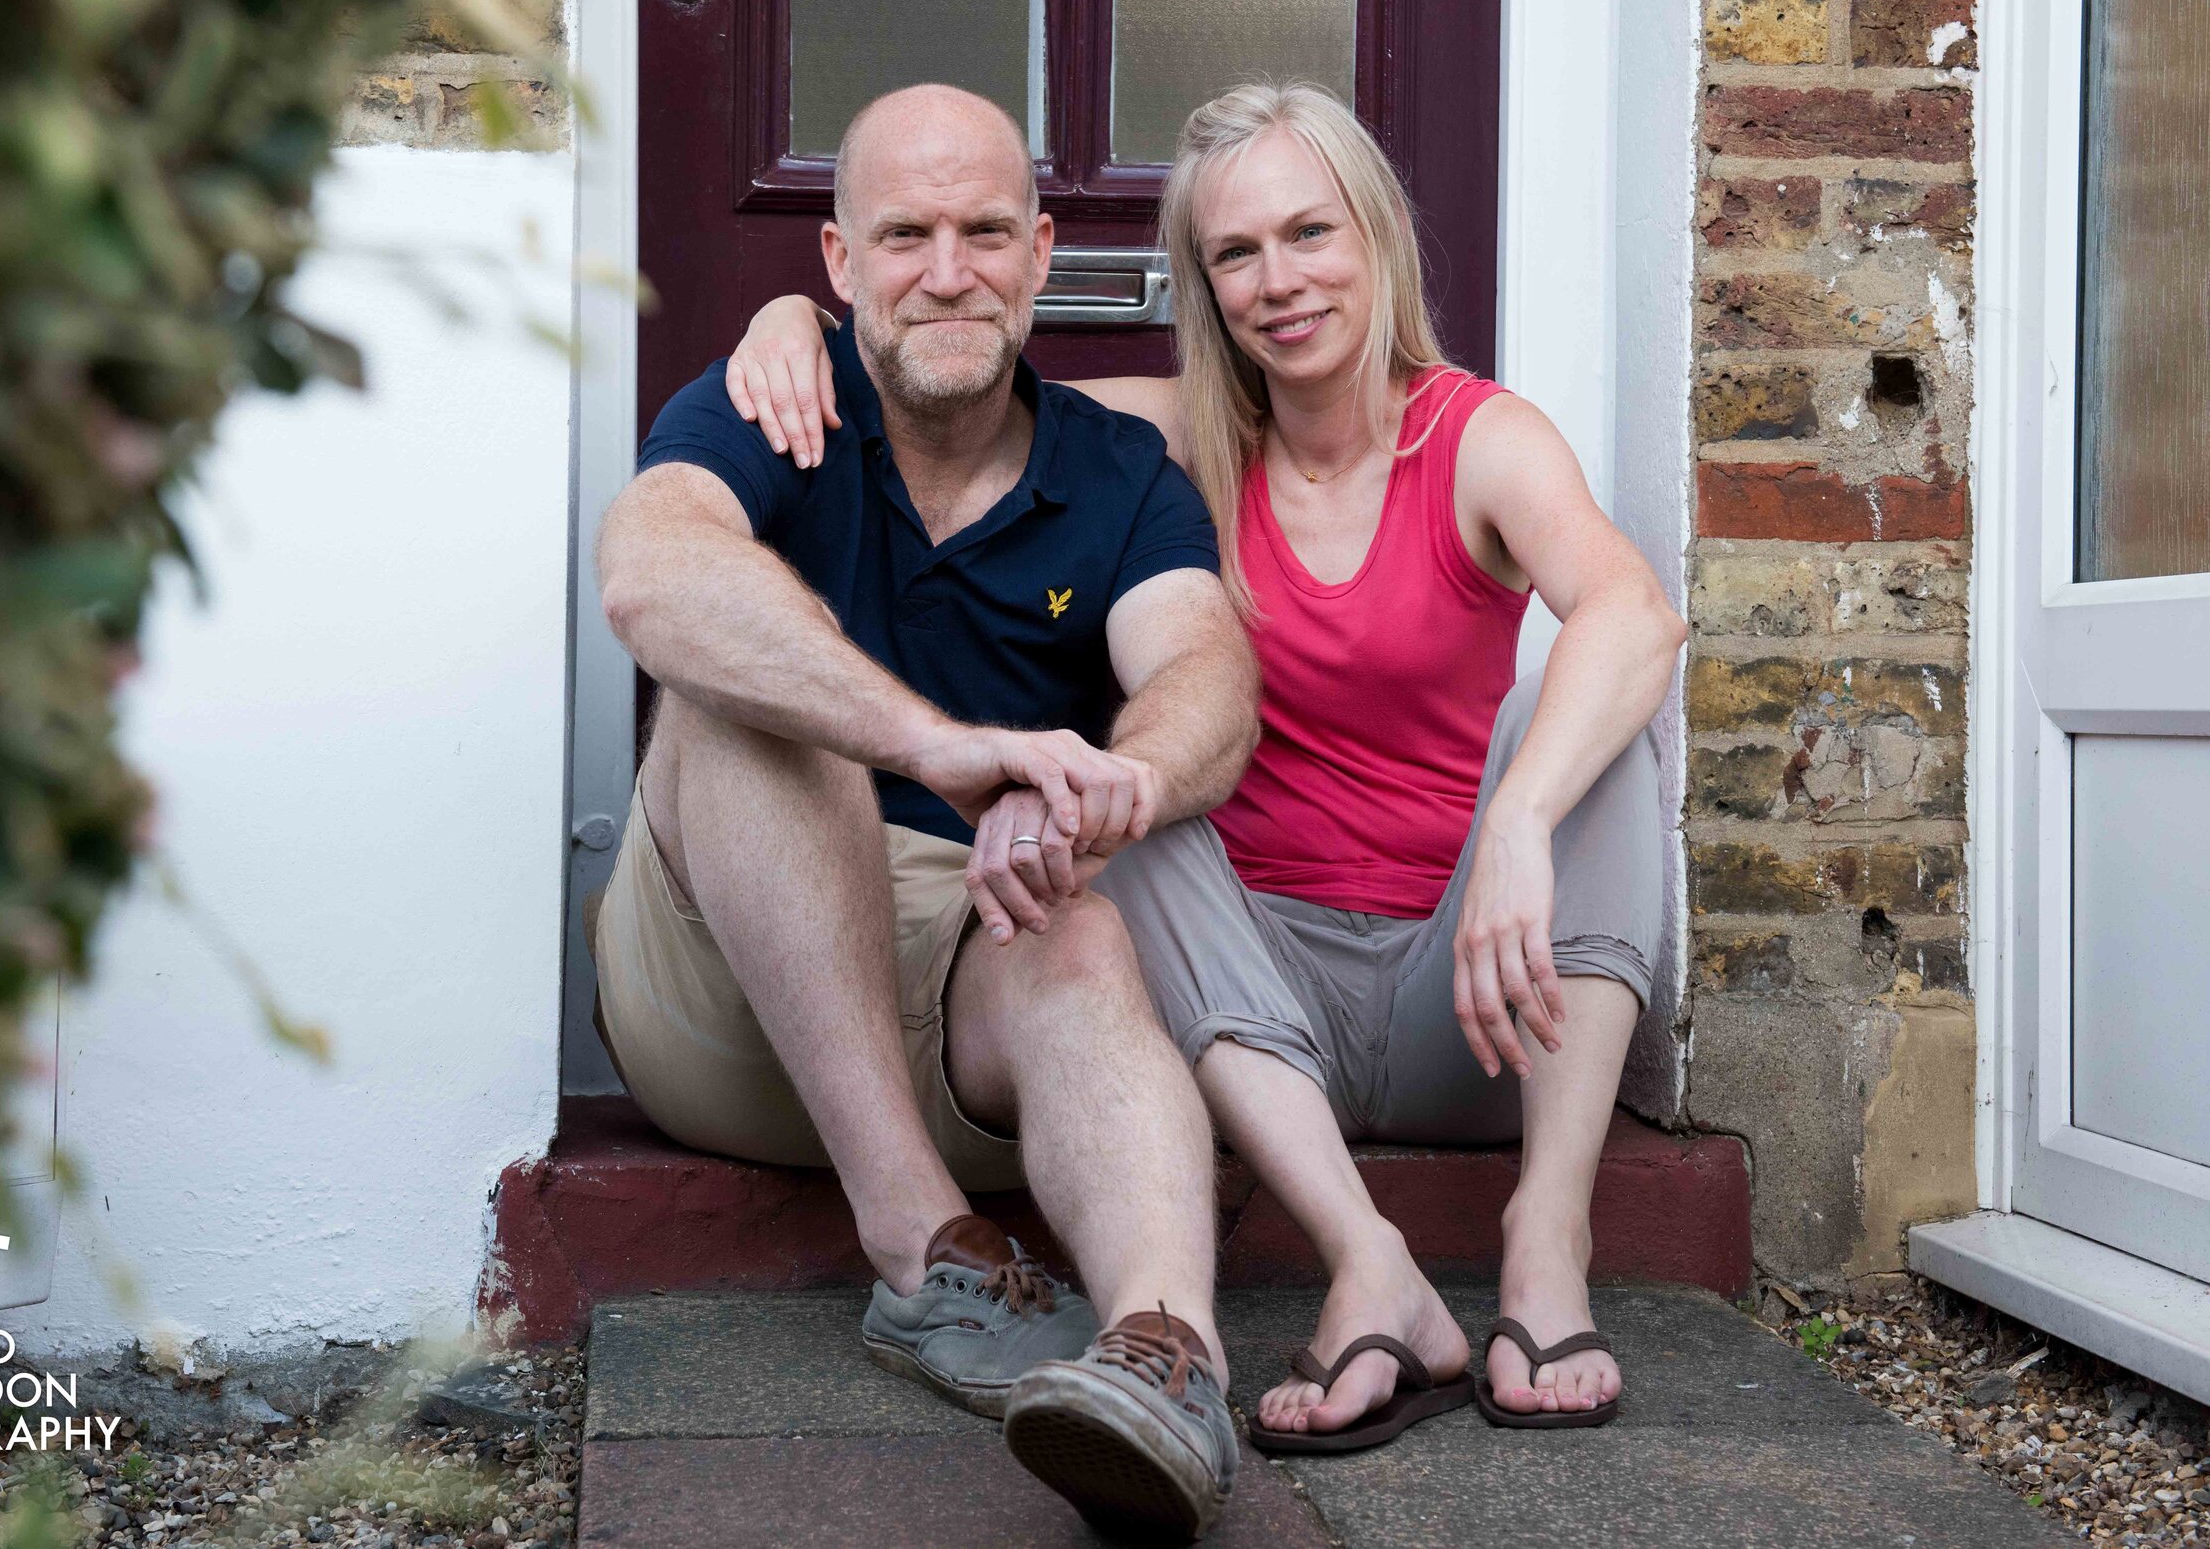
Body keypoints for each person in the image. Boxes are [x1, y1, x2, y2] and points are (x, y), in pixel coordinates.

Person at [723, 79, 1688, 1448]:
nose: (1280, 282)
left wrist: (1521, 824)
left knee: (1593, 733)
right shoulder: (1173, 438)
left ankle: (1546, 1236)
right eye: (1237, 254)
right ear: (1204, 282)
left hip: (1467, 995)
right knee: (1141, 784)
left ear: (1377, 240)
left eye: (1311, 234)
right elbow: (941, 377)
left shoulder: (1476, 436)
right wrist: (787, 326)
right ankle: (1372, 1261)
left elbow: (1636, 611)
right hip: (1246, 1023)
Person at [592, 82, 1262, 1538]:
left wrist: (1119, 782)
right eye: (904, 233)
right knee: (756, 703)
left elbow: (1206, 668)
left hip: (968, 1011)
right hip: (721, 1005)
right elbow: (647, 574)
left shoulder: (1117, 472)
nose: (946, 270)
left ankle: (1164, 1364)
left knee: (1081, 940)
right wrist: (935, 742)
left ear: (1039, 256)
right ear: (837, 266)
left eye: (981, 231)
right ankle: (918, 1253)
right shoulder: (777, 405)